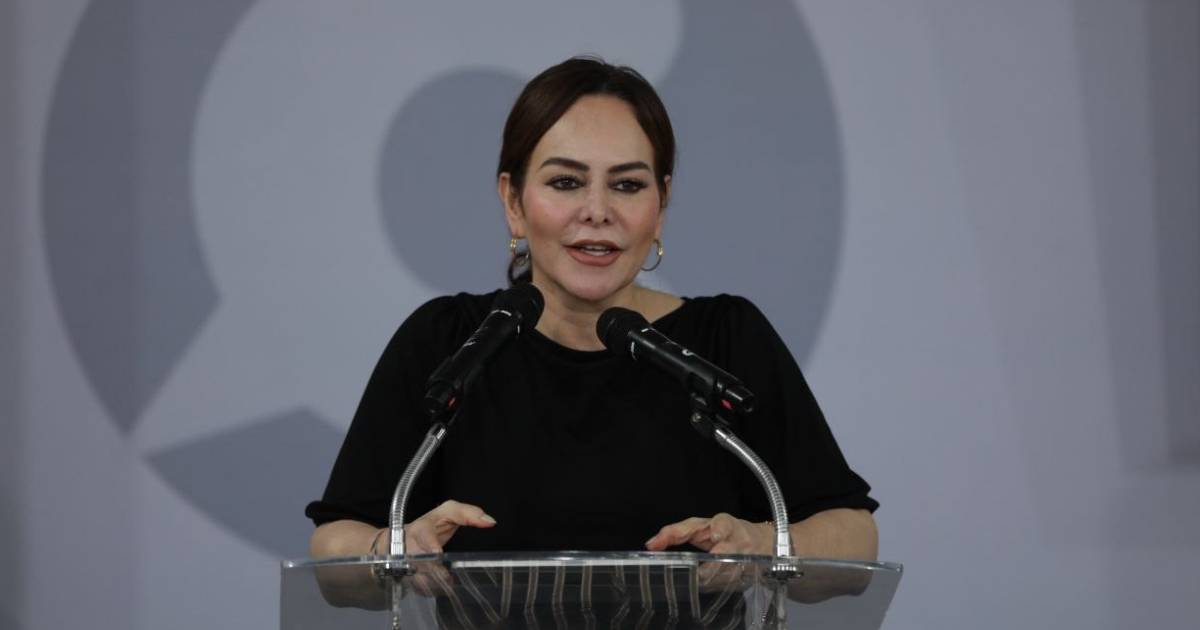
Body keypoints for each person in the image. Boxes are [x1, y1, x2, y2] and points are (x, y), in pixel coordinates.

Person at [306, 56, 878, 566]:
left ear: (661, 205)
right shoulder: (448, 344)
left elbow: (855, 535)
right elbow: (334, 542)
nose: (597, 210)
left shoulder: (725, 341)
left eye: (627, 185)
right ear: (513, 201)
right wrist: (395, 548)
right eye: (565, 182)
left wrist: (763, 542)